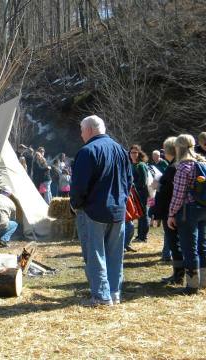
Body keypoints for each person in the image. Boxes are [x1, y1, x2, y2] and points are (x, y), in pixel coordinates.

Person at [70, 115, 132, 306]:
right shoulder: (121, 150)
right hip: (118, 210)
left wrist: (75, 204)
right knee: (115, 254)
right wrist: (121, 200)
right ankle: (114, 293)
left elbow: (79, 185)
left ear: (89, 130)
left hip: (93, 211)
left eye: (81, 130)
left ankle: (101, 296)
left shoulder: (87, 151)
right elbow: (129, 181)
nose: (81, 135)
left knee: (95, 254)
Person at [167, 134, 206, 294]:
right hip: (204, 208)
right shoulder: (202, 163)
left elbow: (178, 195)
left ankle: (192, 286)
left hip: (188, 211)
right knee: (203, 246)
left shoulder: (183, 167)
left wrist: (171, 215)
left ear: (178, 148)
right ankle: (204, 281)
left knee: (189, 248)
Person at [150, 137, 184, 284]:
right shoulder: (179, 165)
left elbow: (167, 192)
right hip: (181, 210)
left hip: (171, 210)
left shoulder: (173, 167)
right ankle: (180, 274)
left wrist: (158, 185)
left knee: (174, 243)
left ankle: (178, 275)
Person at [130, 144, 150, 242]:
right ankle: (139, 235)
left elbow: (143, 182)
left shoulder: (141, 165)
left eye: (135, 152)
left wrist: (132, 185)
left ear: (139, 153)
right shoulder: (131, 165)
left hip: (142, 194)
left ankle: (143, 237)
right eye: (131, 152)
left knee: (144, 215)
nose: (133, 154)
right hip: (134, 194)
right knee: (139, 215)